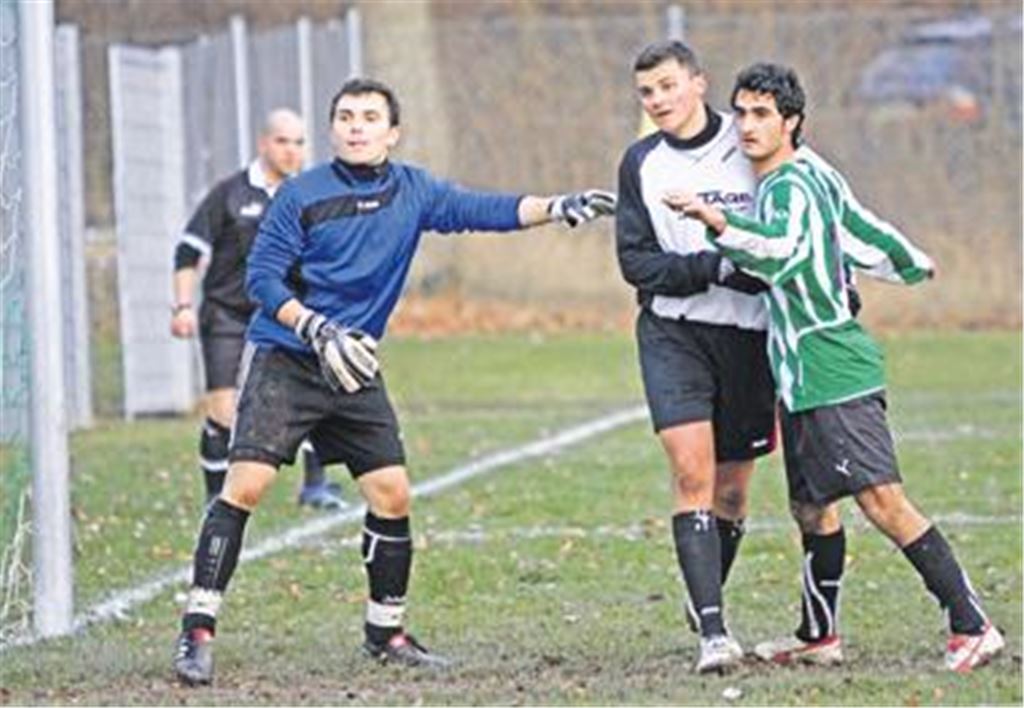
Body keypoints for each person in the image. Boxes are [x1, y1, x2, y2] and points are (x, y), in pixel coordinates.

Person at [172, 77, 617, 685]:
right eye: (346, 116)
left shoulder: (414, 191)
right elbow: (263, 282)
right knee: (244, 486)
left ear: (392, 132)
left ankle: (387, 632)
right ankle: (197, 630)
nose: (356, 126)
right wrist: (316, 328)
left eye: (369, 117)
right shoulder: (301, 193)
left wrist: (556, 205)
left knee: (392, 494)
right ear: (334, 130)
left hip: (352, 365)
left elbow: (483, 210)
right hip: (289, 358)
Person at [669, 62, 1005, 673]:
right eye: (740, 112)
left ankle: (972, 623)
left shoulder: (791, 185)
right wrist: (909, 261)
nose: (746, 125)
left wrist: (717, 222)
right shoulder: (811, 172)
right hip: (800, 373)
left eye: (762, 114)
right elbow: (859, 224)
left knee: (882, 501)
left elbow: (782, 253)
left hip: (832, 365)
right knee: (813, 508)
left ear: (790, 122)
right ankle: (818, 636)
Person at [615, 40, 777, 673]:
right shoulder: (641, 163)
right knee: (692, 475)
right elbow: (636, 264)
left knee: (733, 494)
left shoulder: (751, 146)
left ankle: (703, 586)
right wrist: (712, 266)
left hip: (747, 339)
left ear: (699, 84)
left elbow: (786, 233)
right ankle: (713, 632)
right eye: (646, 92)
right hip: (673, 334)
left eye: (666, 86)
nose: (656, 101)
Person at [171, 109, 349, 511]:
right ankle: (215, 499)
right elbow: (187, 251)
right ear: (263, 144)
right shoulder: (230, 193)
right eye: (283, 142)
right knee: (222, 412)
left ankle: (315, 486)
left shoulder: (309, 195)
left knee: (312, 391)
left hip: (283, 313)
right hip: (227, 313)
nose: (292, 151)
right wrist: (182, 305)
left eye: (300, 142)